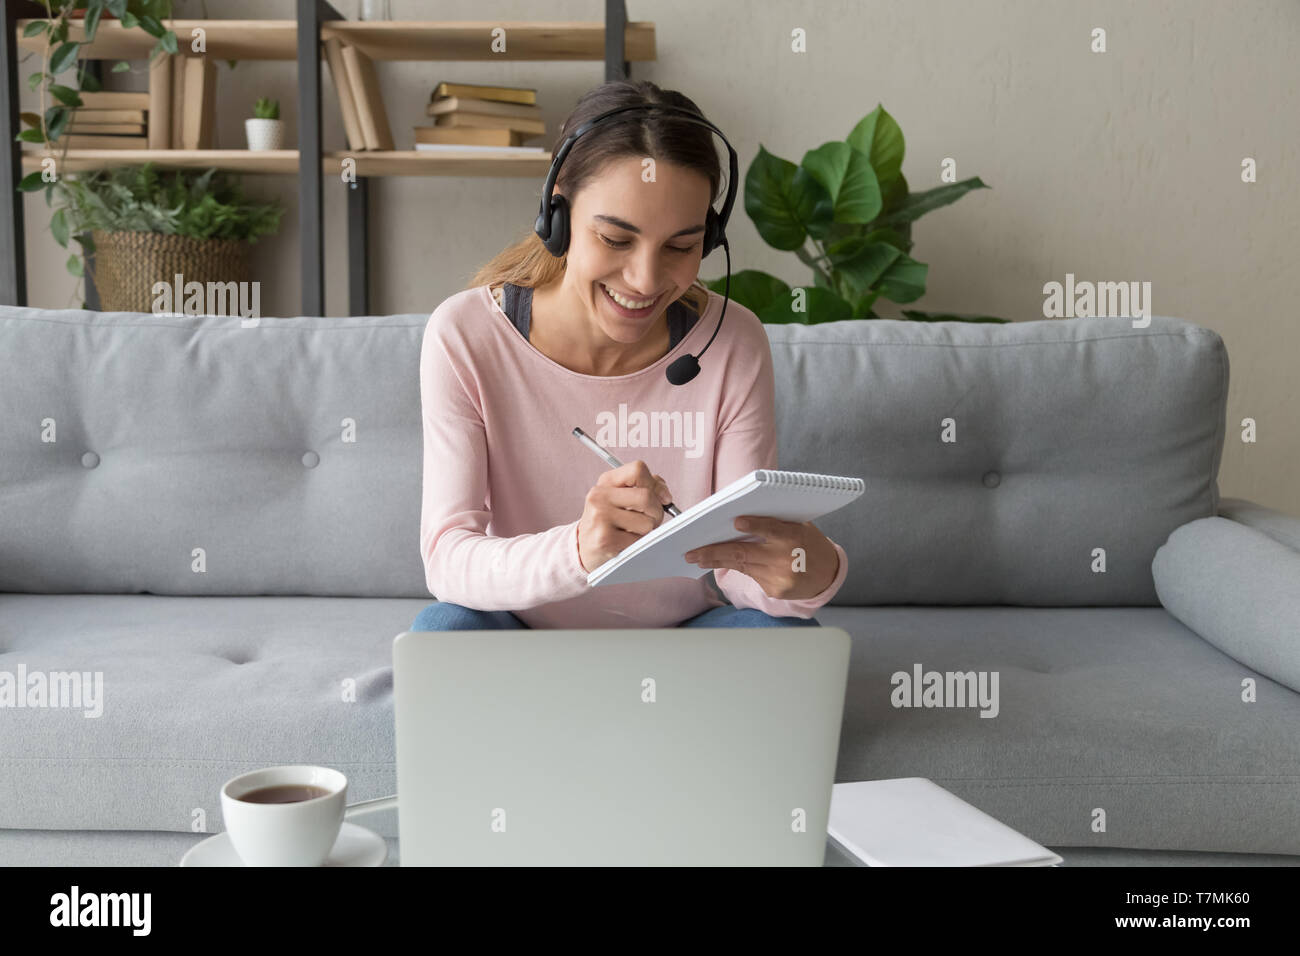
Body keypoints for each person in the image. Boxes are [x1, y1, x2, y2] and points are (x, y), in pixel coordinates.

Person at [412, 80, 848, 632]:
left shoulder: (733, 341)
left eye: (681, 246)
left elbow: (738, 565)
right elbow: (449, 557)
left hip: (684, 638)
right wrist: (578, 550)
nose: (645, 281)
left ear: (709, 239)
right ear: (557, 215)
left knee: (784, 639)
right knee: (443, 633)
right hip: (520, 637)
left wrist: (814, 572)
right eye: (616, 240)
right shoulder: (466, 335)